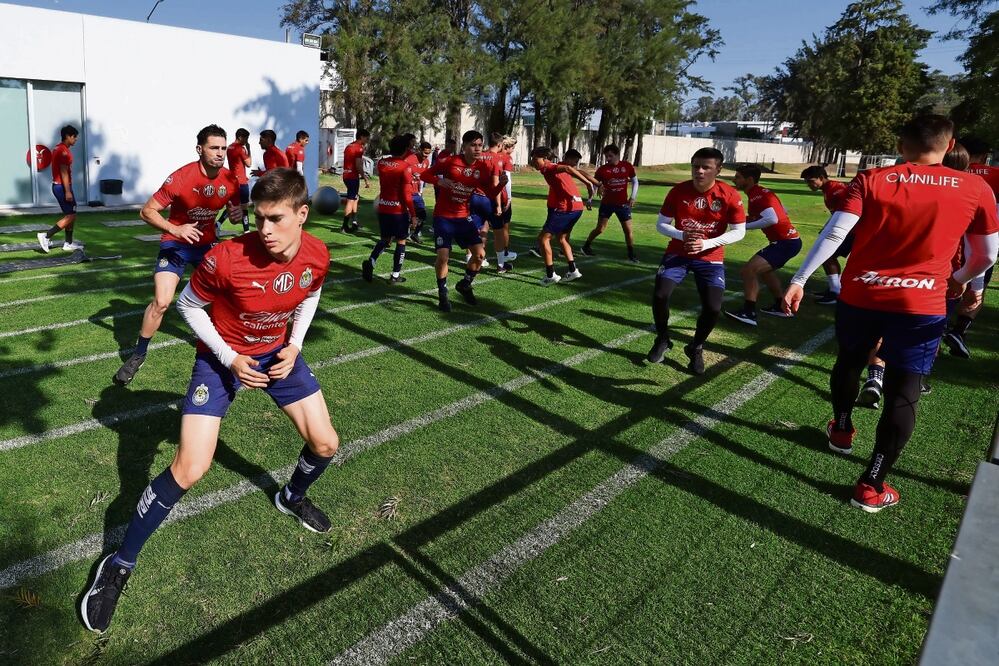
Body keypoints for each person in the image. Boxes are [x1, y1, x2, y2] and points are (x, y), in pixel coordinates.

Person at [81, 168, 336, 634]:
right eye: (260, 217)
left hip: (278, 355)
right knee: (190, 468)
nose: (265, 229)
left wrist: (295, 344)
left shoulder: (318, 253)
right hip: (221, 360)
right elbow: (187, 306)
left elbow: (312, 291)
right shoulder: (227, 257)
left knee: (325, 444)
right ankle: (118, 564)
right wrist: (230, 357)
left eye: (276, 219)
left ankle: (291, 497)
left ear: (302, 214)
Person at [782, 115, 998, 513]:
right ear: (951, 146)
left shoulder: (871, 179)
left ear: (900, 146)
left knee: (849, 361)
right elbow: (987, 255)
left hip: (862, 294)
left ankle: (842, 429)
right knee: (904, 387)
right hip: (922, 304)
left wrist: (799, 278)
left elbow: (836, 233)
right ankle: (872, 483)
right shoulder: (975, 186)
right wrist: (961, 279)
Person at [113, 125, 241, 387]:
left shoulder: (230, 179)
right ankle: (139, 355)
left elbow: (235, 209)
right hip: (176, 244)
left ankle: (224, 351)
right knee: (161, 302)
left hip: (206, 246)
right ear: (199, 149)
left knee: (225, 297)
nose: (220, 153)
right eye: (214, 148)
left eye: (223, 148)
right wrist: (175, 229)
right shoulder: (181, 178)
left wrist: (236, 214)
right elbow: (147, 211)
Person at [648, 147, 746, 374]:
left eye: (706, 167)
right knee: (660, 295)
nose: (699, 171)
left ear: (718, 170)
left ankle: (696, 346)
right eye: (696, 166)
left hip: (711, 257)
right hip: (678, 253)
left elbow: (739, 231)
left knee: (713, 307)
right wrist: (682, 235)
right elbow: (661, 224)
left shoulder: (729, 194)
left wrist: (707, 244)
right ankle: (662, 338)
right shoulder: (678, 191)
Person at [420, 130, 508, 312]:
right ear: (464, 146)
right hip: (443, 217)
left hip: (463, 217)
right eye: (473, 145)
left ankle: (465, 284)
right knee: (443, 257)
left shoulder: (482, 167)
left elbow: (489, 193)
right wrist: (438, 181)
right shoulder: (450, 162)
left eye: (480, 145)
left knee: (480, 255)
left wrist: (501, 184)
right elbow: (424, 175)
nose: (477, 149)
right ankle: (442, 294)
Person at [943, 135, 999, 358]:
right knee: (976, 289)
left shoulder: (951, 174)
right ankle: (958, 330)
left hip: (950, 242)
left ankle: (939, 330)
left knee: (946, 286)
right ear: (984, 155)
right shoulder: (993, 177)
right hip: (984, 241)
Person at [724, 164, 802, 325]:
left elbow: (772, 219)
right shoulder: (760, 193)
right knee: (766, 272)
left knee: (748, 271)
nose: (734, 180)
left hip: (785, 243)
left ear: (749, 179)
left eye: (738, 177)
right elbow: (782, 210)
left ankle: (749, 313)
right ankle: (781, 305)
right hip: (789, 241)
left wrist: (743, 227)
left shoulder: (758, 195)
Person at [530, 147, 596, 286]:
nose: (533, 161)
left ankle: (550, 275)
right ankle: (573, 270)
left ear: (544, 158)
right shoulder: (551, 167)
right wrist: (593, 183)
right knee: (562, 239)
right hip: (577, 208)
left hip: (565, 208)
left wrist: (589, 183)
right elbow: (571, 169)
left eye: (535, 158)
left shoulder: (549, 167)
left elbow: (568, 168)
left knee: (543, 239)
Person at [363, 135, 416, 284]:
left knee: (385, 240)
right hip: (398, 211)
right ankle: (395, 275)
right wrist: (413, 215)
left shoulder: (382, 163)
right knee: (401, 241)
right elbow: (406, 194)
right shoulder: (405, 167)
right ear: (405, 149)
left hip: (384, 207)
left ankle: (371, 261)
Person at [580, 144, 639, 262]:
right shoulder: (602, 169)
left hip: (623, 204)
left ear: (617, 155)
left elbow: (635, 181)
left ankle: (631, 254)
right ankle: (586, 246)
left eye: (610, 156)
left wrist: (632, 197)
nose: (608, 159)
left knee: (628, 230)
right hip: (607, 204)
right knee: (600, 229)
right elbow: (595, 184)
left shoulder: (627, 166)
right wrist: (590, 198)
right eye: (606, 156)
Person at [801, 165, 850, 305]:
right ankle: (835, 289)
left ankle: (836, 292)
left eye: (811, 181)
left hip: (851, 230)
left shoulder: (835, 190)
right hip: (848, 229)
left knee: (827, 255)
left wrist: (829, 228)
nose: (809, 185)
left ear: (821, 178)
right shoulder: (829, 189)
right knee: (827, 255)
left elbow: (847, 212)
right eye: (807, 182)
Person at [37, 125, 83, 253]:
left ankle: (68, 243)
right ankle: (46, 236)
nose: (76, 139)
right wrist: (67, 191)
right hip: (62, 187)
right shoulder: (63, 151)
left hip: (61, 186)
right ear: (67, 136)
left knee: (71, 214)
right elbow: (64, 172)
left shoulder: (59, 148)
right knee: (71, 216)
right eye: (74, 136)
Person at [484, 132, 518, 272]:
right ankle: (501, 262)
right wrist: (506, 199)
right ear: (502, 145)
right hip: (495, 197)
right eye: (512, 147)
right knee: (500, 230)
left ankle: (473, 257)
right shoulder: (501, 158)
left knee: (482, 228)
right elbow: (502, 182)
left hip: (478, 197)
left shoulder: (481, 155)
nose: (513, 149)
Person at [220, 128, 253, 232]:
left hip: (232, 181)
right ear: (240, 137)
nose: (247, 141)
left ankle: (218, 224)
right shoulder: (240, 148)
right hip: (241, 182)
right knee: (244, 207)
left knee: (233, 207)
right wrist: (248, 149)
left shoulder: (229, 147)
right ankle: (246, 231)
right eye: (246, 138)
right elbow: (249, 163)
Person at [341, 129, 370, 232]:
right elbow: (358, 165)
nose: (367, 140)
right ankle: (344, 226)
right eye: (366, 138)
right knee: (351, 200)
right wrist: (365, 177)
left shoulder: (349, 146)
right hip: (352, 176)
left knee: (355, 198)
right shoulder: (358, 148)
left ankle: (354, 222)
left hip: (346, 175)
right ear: (361, 137)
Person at [407, 141, 433, 243]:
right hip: (407, 191)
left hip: (416, 192)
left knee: (422, 214)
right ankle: (401, 234)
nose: (426, 155)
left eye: (428, 153)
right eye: (425, 153)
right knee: (407, 215)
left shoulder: (426, 162)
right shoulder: (410, 159)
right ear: (419, 150)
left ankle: (415, 234)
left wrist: (420, 191)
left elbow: (423, 177)